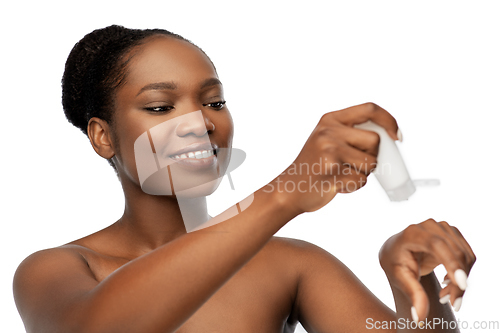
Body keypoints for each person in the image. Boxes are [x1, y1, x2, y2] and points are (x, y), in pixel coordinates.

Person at [12, 25, 475, 333]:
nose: (200, 123)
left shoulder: (290, 266)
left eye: (213, 102)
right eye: (159, 107)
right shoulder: (58, 270)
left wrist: (420, 289)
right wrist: (284, 195)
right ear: (103, 137)